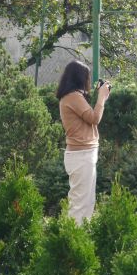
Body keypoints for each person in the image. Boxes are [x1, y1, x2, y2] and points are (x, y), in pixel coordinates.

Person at [56, 60, 110, 224]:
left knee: (85, 202)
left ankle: (78, 237)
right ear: (80, 78)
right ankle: (74, 240)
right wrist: (101, 98)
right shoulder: (73, 97)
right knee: (80, 205)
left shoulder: (73, 97)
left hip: (83, 154)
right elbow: (94, 118)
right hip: (81, 155)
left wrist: (99, 97)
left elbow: (87, 117)